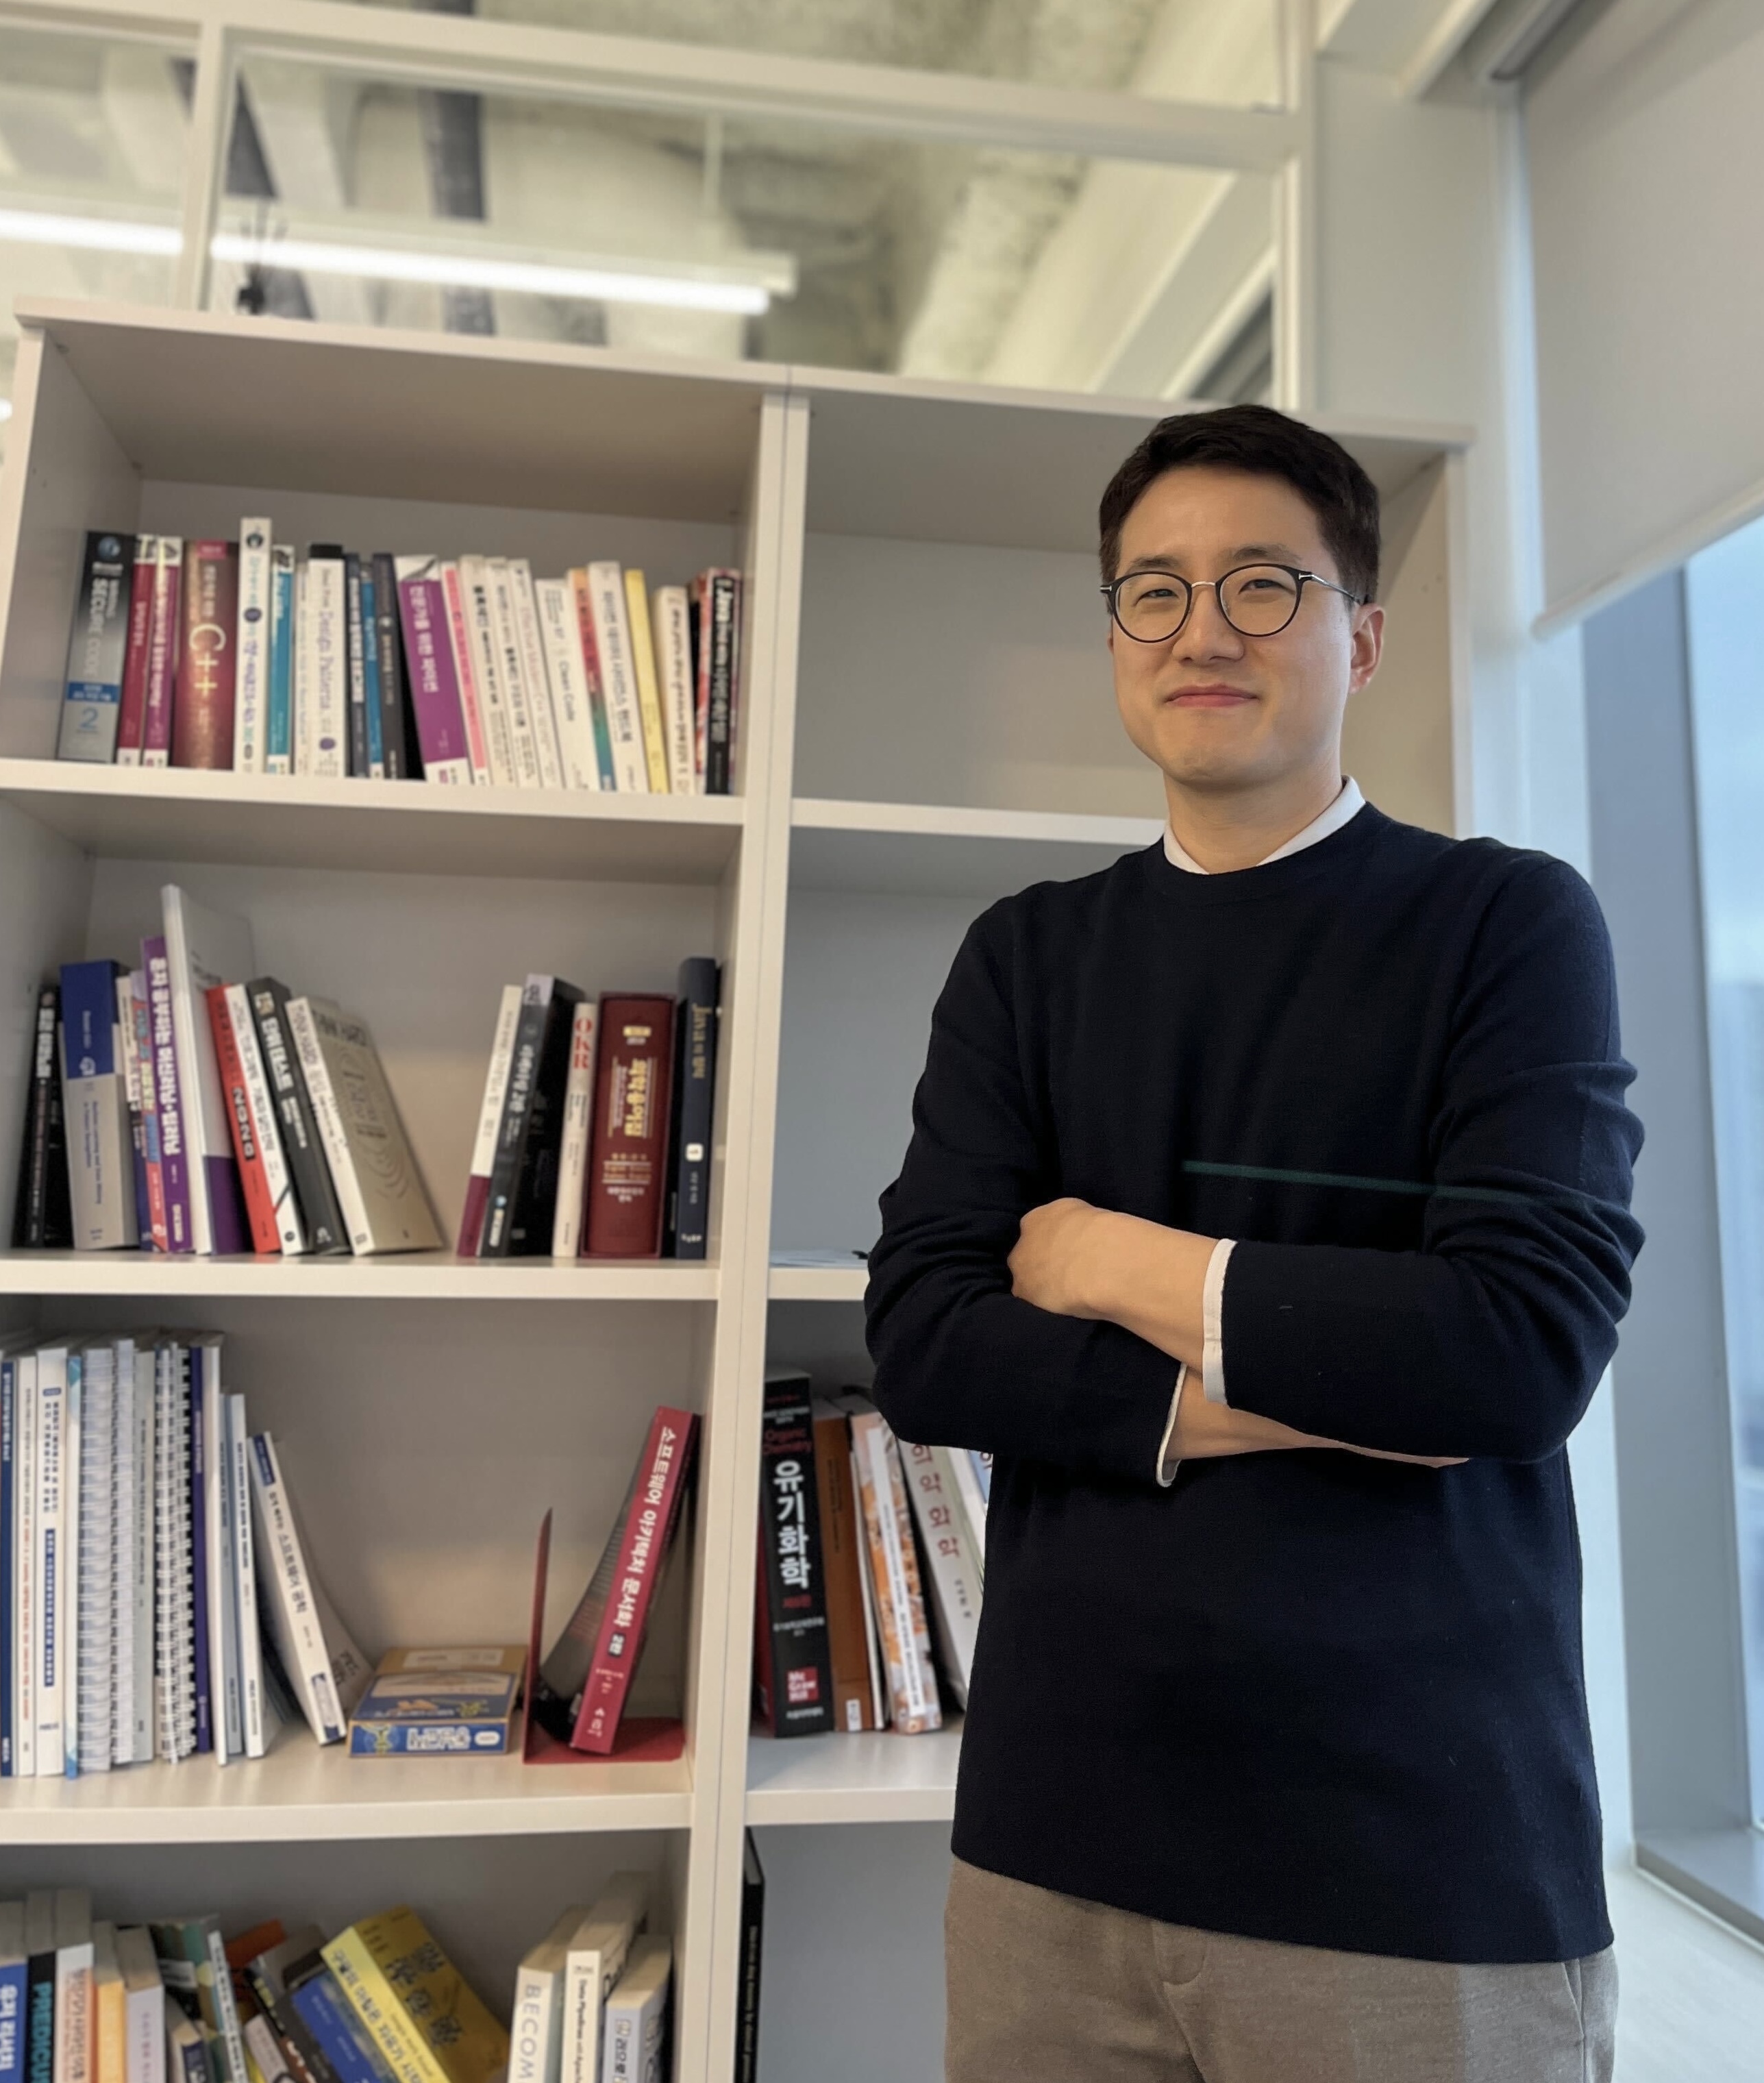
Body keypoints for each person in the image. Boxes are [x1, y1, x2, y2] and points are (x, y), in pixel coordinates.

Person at [863, 403, 1643, 2083]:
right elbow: (925, 1338)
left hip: (1412, 1860)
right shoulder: (1026, 957)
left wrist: (1104, 1259)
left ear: (1360, 636)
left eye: (1263, 584)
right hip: (1050, 1847)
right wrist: (1351, 1384)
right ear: (1115, 638)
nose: (1201, 628)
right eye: (1154, 589)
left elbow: (1511, 1357)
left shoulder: (1503, 924)